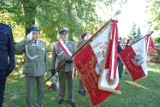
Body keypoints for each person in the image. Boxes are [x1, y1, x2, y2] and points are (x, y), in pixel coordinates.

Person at [15, 25, 48, 107]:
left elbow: (45, 58)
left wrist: (46, 69)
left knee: (41, 89)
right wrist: (26, 39)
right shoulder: (26, 43)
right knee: (30, 90)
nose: (37, 35)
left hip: (41, 70)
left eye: (38, 33)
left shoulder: (42, 44)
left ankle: (39, 104)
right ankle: (31, 105)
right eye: (34, 33)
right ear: (30, 34)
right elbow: (15, 48)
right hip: (30, 71)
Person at [51, 28, 77, 107]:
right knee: (61, 83)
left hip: (70, 68)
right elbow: (53, 57)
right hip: (61, 68)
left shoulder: (72, 44)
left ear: (68, 35)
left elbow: (76, 55)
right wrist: (52, 68)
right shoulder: (56, 45)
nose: (65, 36)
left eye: (66, 34)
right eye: (63, 34)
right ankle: (61, 97)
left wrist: (72, 60)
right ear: (60, 36)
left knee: (71, 84)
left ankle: (71, 99)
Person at [0, 23, 15, 107]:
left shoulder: (7, 29)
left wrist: (12, 62)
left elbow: (11, 47)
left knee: (1, 88)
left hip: (3, 64)